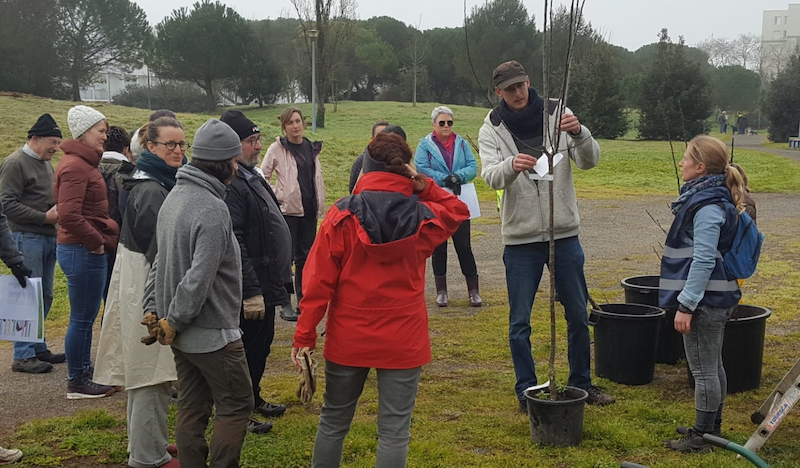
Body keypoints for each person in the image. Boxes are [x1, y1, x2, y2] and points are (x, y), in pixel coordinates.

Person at [292, 131, 469, 468]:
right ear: (406, 169)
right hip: (403, 337)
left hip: (349, 335)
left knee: (333, 421)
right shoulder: (424, 214)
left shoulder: (341, 214)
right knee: (394, 431)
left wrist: (304, 335)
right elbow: (458, 210)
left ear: (366, 167)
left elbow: (317, 283)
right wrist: (425, 186)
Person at [478, 60, 615, 411]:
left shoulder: (557, 113)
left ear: (528, 82)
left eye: (522, 85)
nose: (519, 93)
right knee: (519, 320)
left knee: (577, 313)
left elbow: (590, 161)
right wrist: (511, 166)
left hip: (564, 233)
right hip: (520, 239)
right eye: (510, 89)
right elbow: (490, 176)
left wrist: (579, 132)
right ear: (499, 92)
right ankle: (526, 390)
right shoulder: (492, 127)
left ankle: (581, 383)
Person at [143, 119, 253, 468]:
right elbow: (199, 276)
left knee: (192, 406)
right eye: (234, 160)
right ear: (223, 164)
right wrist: (173, 318)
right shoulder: (212, 207)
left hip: (181, 332)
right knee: (237, 404)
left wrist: (153, 309)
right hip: (212, 333)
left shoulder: (175, 196)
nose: (237, 166)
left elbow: (159, 260)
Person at [94, 117, 186, 468]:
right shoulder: (151, 190)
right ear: (150, 147)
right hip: (147, 287)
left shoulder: (156, 181)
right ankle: (149, 457)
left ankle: (151, 443)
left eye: (182, 144)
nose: (178, 151)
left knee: (151, 371)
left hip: (143, 283)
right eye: (170, 145)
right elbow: (160, 252)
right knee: (151, 371)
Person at [660, 135, 747, 453]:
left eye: (685, 158)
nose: (681, 163)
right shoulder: (711, 198)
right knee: (713, 364)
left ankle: (701, 437)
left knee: (704, 368)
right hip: (716, 297)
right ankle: (713, 429)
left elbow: (704, 258)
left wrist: (686, 304)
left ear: (699, 167)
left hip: (706, 300)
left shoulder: (707, 205)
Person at [220, 110, 291, 433]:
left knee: (262, 344)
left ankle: (254, 396)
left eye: (259, 139)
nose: (258, 146)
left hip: (268, 277)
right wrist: (250, 289)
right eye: (251, 141)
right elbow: (234, 239)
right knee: (244, 349)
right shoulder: (232, 183)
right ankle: (237, 410)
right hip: (250, 283)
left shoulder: (252, 175)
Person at [55, 105, 120, 399]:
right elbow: (68, 214)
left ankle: (83, 368)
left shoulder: (83, 164)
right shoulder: (75, 166)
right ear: (84, 132)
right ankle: (78, 380)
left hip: (83, 247)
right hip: (81, 249)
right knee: (82, 317)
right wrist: (95, 241)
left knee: (85, 315)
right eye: (101, 131)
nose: (105, 137)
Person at [0, 114, 65, 374]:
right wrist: (43, 217)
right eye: (52, 141)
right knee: (28, 296)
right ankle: (23, 355)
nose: (56, 147)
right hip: (26, 237)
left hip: (47, 236)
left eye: (58, 142)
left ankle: (37, 346)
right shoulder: (15, 163)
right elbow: (6, 204)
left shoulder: (44, 161)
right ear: (35, 139)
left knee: (44, 294)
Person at [261, 107, 326, 317]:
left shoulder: (311, 147)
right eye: (290, 122)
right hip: (287, 212)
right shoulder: (277, 149)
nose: (295, 126)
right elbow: (263, 177)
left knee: (305, 258)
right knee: (285, 257)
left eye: (298, 121)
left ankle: (303, 301)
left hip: (309, 211)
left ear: (303, 123)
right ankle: (284, 302)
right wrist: (279, 194)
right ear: (284, 126)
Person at [415, 106, 481, 307]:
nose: (446, 126)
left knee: (464, 246)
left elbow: (472, 166)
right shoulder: (425, 145)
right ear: (433, 124)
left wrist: (458, 176)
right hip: (436, 202)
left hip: (460, 202)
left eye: (449, 122)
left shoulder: (461, 144)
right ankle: (441, 292)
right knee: (438, 247)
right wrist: (443, 178)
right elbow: (421, 169)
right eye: (442, 122)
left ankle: (473, 291)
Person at [99, 126, 134, 301]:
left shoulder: (90, 167)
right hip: (120, 240)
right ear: (127, 148)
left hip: (91, 239)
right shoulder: (128, 172)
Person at [348, 119, 389, 194]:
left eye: (386, 135)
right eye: (379, 136)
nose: (383, 140)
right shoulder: (362, 159)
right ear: (372, 139)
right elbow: (352, 189)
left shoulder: (397, 161)